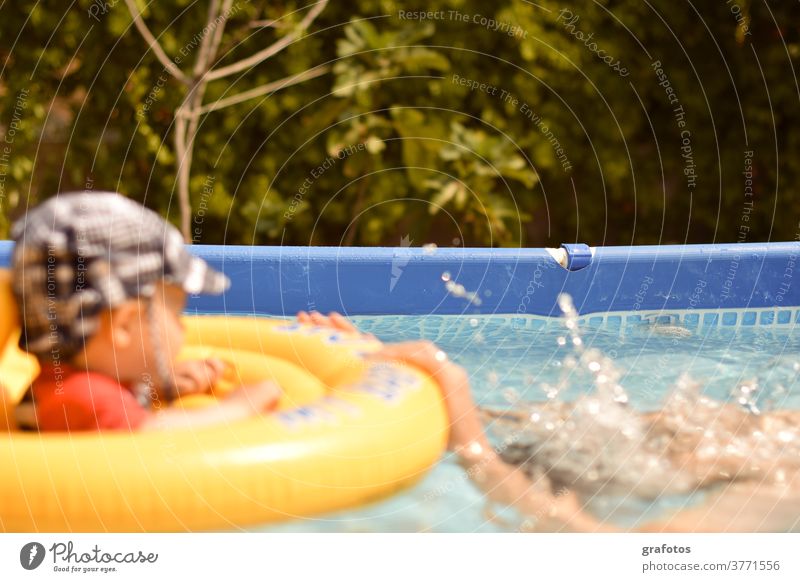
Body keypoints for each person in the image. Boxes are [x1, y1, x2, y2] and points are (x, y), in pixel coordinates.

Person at [11, 192, 281, 431]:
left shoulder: (70, 386)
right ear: (123, 325)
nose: (183, 326)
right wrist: (237, 409)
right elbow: (152, 442)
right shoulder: (85, 398)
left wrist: (153, 387)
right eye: (176, 313)